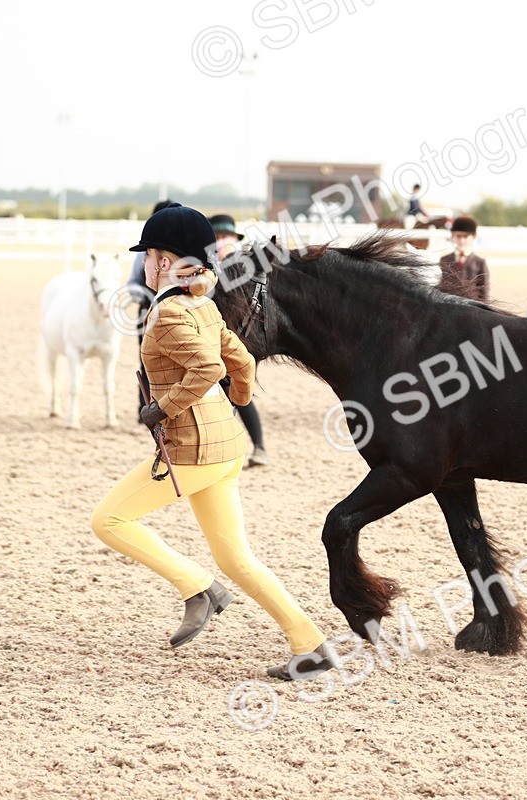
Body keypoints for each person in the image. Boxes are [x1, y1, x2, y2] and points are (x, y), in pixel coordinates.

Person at [90, 203, 334, 681]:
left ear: (164, 260)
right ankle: (310, 645)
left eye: (148, 255)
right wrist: (237, 399)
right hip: (225, 446)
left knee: (109, 520)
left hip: (194, 450)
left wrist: (161, 408)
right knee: (236, 558)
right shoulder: (202, 304)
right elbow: (240, 360)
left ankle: (198, 587)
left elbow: (208, 368)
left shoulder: (168, 314)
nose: (145, 264)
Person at [210, 213, 269, 468]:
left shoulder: (244, 267)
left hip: (240, 339)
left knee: (240, 390)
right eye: (218, 236)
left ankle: (258, 447)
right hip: (213, 337)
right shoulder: (207, 266)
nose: (222, 241)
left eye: (227, 236)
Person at [129, 200, 176, 422]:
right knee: (147, 361)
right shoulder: (143, 254)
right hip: (147, 311)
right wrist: (147, 296)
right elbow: (132, 284)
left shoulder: (181, 253)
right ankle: (145, 406)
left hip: (173, 309)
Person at [437, 215, 489, 302]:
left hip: (472, 307)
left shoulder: (480, 263)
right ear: (452, 236)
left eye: (466, 236)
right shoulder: (444, 260)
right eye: (458, 236)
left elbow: (484, 294)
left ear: (473, 237)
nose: (462, 241)